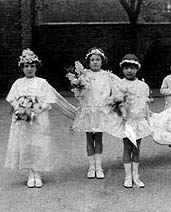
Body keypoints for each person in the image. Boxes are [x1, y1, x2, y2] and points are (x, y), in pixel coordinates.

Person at [5, 48, 76, 188]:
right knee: (26, 145)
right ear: (22, 68)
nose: (29, 69)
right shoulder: (18, 83)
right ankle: (30, 173)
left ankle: (37, 173)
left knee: (38, 144)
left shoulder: (42, 82)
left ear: (36, 67)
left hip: (38, 118)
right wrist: (20, 109)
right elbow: (12, 98)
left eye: (32, 66)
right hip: (23, 120)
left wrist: (37, 109)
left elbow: (50, 99)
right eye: (26, 66)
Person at [72, 47, 117, 179]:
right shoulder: (84, 75)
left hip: (100, 110)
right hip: (88, 109)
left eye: (98, 60)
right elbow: (78, 94)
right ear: (88, 62)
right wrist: (78, 86)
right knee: (89, 138)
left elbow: (115, 89)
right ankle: (91, 167)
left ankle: (99, 166)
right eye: (92, 60)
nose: (95, 62)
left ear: (102, 61)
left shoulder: (107, 76)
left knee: (98, 138)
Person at [107, 54, 151, 188]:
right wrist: (120, 110)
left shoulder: (142, 85)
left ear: (137, 69)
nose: (129, 71)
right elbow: (114, 103)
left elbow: (145, 104)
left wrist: (147, 119)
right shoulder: (119, 84)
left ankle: (136, 176)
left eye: (132, 68)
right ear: (122, 69)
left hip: (138, 119)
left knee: (136, 148)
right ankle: (128, 176)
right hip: (126, 120)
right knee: (127, 148)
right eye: (126, 68)